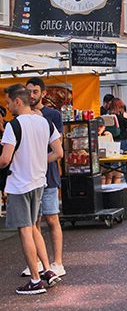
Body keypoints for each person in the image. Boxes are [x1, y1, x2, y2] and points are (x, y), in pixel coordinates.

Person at [0, 84, 63, 295]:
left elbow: (5, 159)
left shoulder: (13, 125)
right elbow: (58, 152)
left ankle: (35, 280)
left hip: (19, 184)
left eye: (8, 102)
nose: (7, 106)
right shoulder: (45, 122)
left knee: (25, 230)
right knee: (34, 228)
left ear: (17, 101)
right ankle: (48, 270)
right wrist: (39, 161)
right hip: (39, 181)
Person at [18, 78, 65, 281]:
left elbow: (58, 145)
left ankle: (58, 262)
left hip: (48, 174)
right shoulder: (21, 116)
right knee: (33, 221)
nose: (32, 95)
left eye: (35, 91)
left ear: (43, 94)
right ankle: (36, 262)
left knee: (52, 218)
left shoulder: (52, 115)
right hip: (30, 178)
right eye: (28, 91)